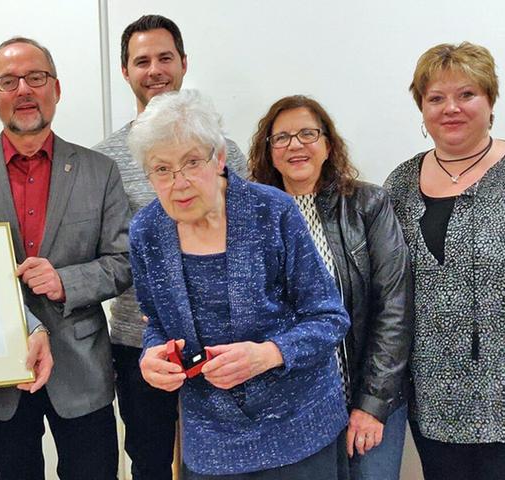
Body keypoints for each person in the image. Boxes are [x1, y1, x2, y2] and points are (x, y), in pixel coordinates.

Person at [0, 37, 132, 480]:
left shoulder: (100, 171)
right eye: (8, 81)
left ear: (55, 89)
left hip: (81, 370)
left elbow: (124, 263)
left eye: (35, 77)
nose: (23, 89)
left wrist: (67, 282)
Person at [129, 89, 350, 479]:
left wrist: (268, 354)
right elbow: (157, 323)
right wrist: (153, 358)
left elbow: (329, 317)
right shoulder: (146, 231)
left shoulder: (272, 210)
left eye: (190, 162)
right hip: (212, 443)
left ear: (218, 158)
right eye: (161, 170)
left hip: (298, 429)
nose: (178, 182)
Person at [384, 41, 505, 480]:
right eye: (436, 98)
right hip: (436, 406)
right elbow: (389, 293)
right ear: (422, 109)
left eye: (466, 94)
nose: (451, 108)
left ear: (490, 100)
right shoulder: (400, 185)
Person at [92, 14, 247, 479]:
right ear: (125, 72)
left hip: (224, 339)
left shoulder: (224, 150)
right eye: (142, 61)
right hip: (142, 340)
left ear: (183, 63)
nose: (155, 70)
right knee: (151, 459)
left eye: (165, 58)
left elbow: (245, 241)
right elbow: (110, 250)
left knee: (226, 461)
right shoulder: (103, 160)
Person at [248, 95, 413, 480]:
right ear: (268, 152)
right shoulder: (255, 217)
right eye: (282, 138)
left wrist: (371, 404)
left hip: (368, 394)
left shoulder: (368, 204)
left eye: (307, 133)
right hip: (296, 409)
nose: (295, 145)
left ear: (327, 144)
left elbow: (394, 306)